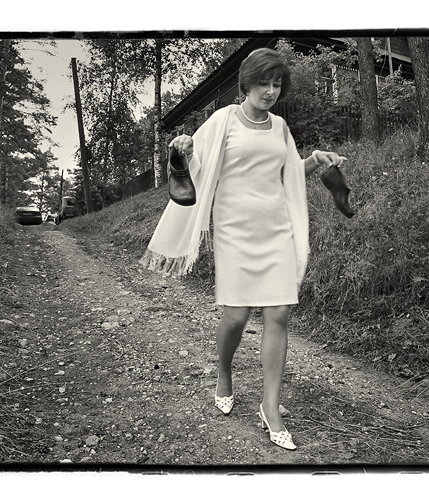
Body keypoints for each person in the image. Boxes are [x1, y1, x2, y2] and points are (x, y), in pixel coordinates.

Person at [140, 48, 346, 451]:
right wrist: (182, 146)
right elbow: (191, 162)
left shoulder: (280, 127)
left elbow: (289, 172)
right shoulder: (224, 119)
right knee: (236, 316)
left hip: (276, 229)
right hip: (234, 229)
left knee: (278, 314)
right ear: (246, 84)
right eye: (263, 83)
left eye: (276, 84)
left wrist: (315, 160)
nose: (270, 91)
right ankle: (224, 372)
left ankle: (270, 407)